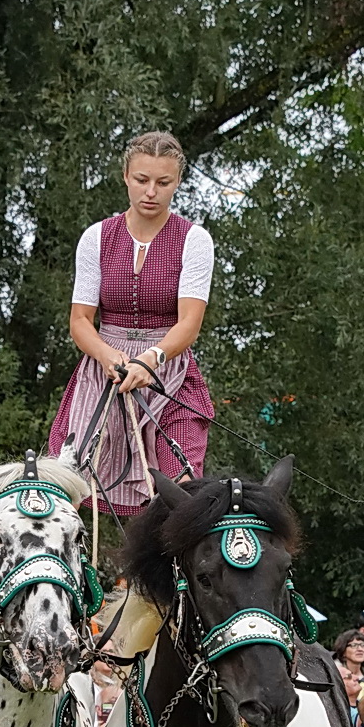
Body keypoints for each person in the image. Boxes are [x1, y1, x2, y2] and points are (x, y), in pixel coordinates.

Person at [47, 129, 214, 512]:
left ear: (177, 183)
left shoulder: (194, 240)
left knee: (183, 491)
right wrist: (108, 355)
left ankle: (178, 571)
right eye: (142, 180)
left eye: (163, 182)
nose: (151, 191)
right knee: (70, 484)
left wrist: (150, 358)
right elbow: (80, 321)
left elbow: (189, 322)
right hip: (104, 370)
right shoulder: (96, 238)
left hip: (168, 372)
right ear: (126, 177)